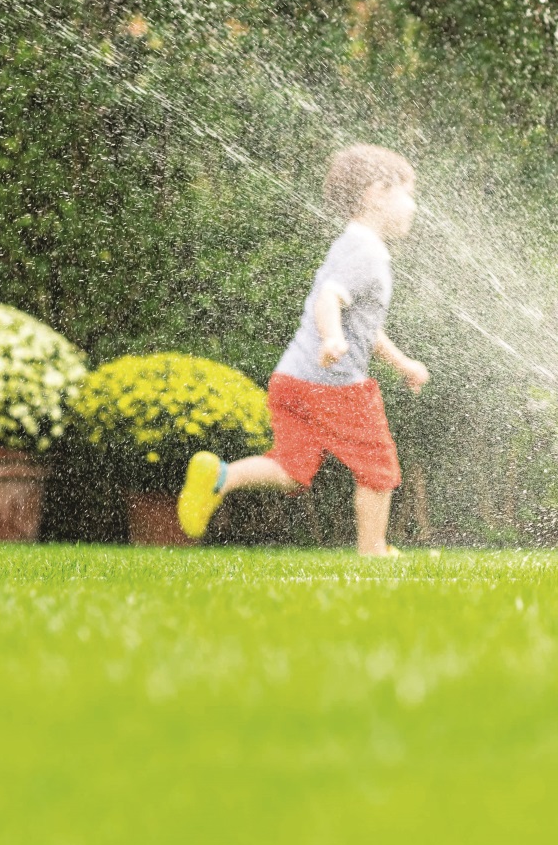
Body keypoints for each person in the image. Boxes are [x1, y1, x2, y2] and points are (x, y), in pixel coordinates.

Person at [178, 144, 429, 556]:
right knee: (378, 466)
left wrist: (401, 362)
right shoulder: (366, 251)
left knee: (292, 469)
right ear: (375, 193)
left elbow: (365, 325)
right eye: (407, 193)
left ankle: (220, 476)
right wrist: (332, 338)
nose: (413, 206)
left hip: (292, 379)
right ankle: (374, 551)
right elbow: (328, 299)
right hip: (334, 385)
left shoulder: (352, 244)